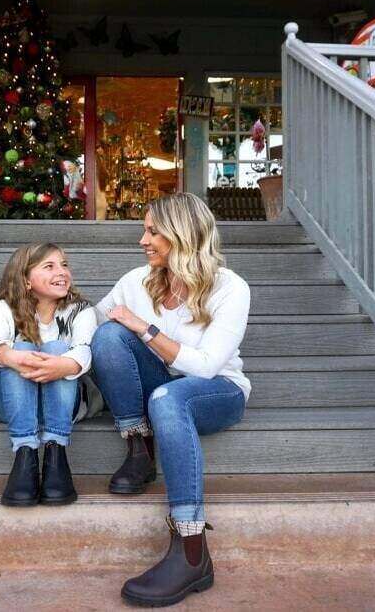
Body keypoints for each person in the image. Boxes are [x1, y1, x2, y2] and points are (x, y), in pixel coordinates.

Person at [91, 193, 251, 606]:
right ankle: (139, 448)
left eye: (153, 232)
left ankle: (191, 548)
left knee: (167, 396)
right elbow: (92, 327)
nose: (143, 241)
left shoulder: (229, 288)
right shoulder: (136, 280)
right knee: (109, 336)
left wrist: (144, 328)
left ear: (182, 235)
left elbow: (205, 365)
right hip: (160, 386)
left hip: (216, 389)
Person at [0, 242, 97, 507]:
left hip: (62, 408)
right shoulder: (5, 308)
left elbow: (85, 350)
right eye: (49, 266)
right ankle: (25, 455)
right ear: (26, 280)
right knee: (19, 348)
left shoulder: (80, 310)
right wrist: (12, 357)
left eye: (64, 265)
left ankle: (56, 454)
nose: (61, 271)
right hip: (10, 406)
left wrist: (62, 365)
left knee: (59, 349)